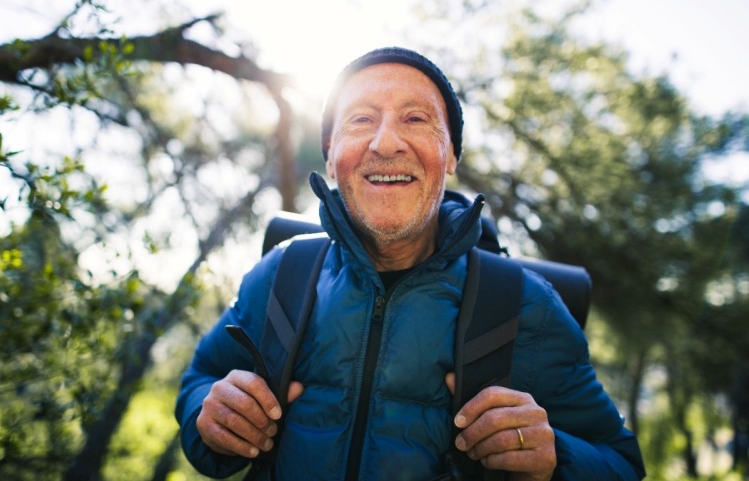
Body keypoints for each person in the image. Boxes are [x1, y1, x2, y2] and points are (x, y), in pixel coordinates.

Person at [175, 46, 645, 480]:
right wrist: (209, 416)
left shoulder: (524, 304)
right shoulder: (283, 273)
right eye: (360, 119)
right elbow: (201, 378)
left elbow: (620, 461)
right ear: (332, 158)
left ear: (451, 156)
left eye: (416, 118)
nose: (386, 142)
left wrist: (553, 458)